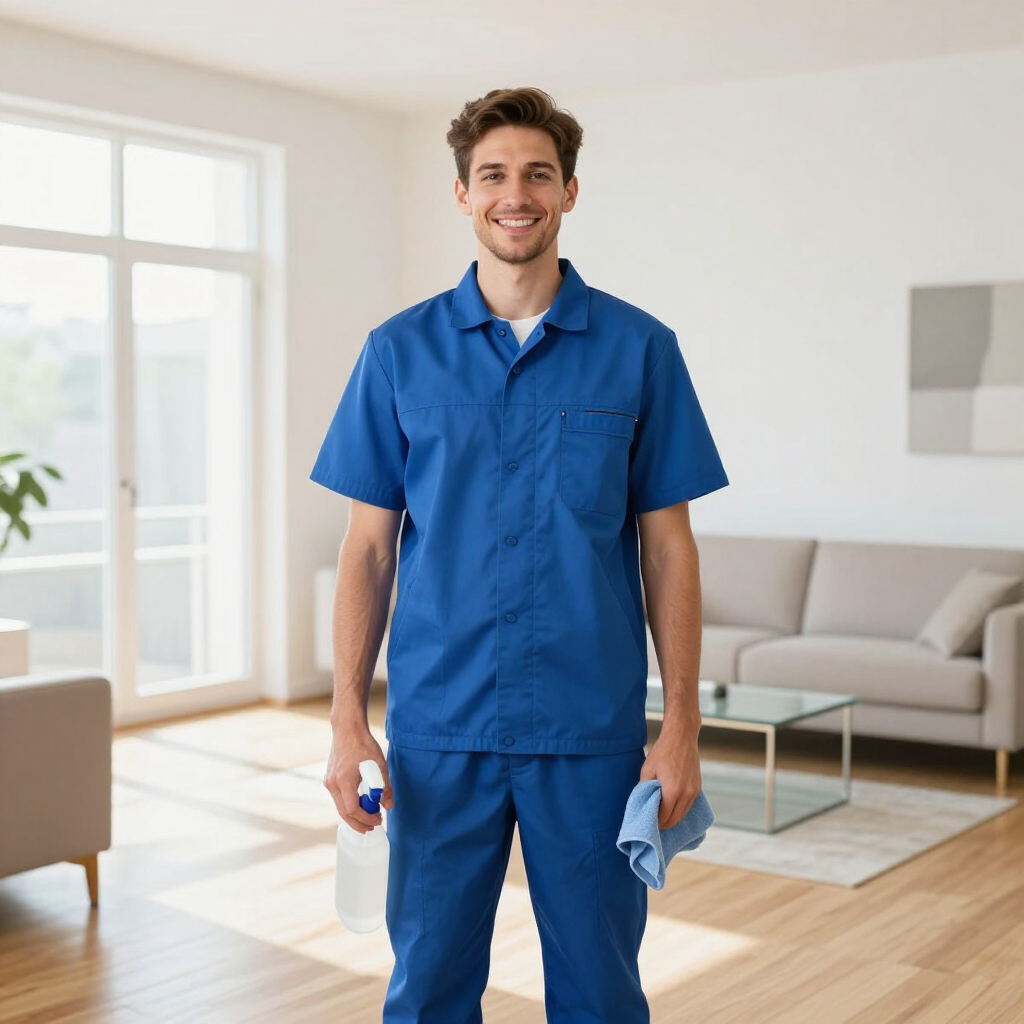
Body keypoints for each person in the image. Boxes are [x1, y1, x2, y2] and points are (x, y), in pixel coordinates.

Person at [313, 86, 729, 1024]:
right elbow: (368, 552)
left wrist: (682, 726)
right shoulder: (396, 354)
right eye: (493, 174)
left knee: (598, 992)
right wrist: (346, 720)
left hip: (589, 732)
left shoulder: (641, 350)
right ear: (461, 194)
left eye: (537, 173)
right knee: (427, 990)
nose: (516, 193)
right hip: (438, 730)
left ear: (570, 191)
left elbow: (670, 552)